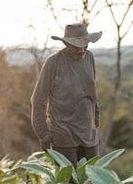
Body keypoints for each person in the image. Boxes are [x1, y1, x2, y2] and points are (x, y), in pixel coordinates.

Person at [31, 23, 102, 166]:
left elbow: (91, 89)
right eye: (76, 46)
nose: (81, 50)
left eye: (85, 45)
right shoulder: (54, 62)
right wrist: (43, 132)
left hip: (88, 133)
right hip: (63, 134)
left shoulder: (89, 58)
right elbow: (38, 99)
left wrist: (96, 114)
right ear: (66, 43)